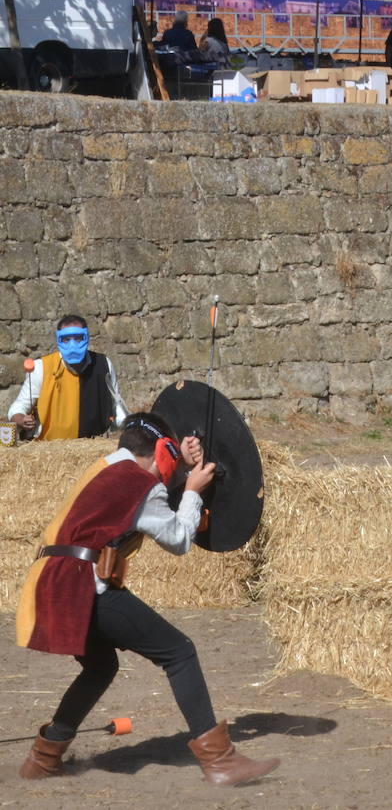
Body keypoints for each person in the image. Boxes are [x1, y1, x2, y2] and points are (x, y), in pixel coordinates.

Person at [15, 412, 281, 786]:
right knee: (179, 652)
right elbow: (178, 539)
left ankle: (42, 761)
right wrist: (192, 490)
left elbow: (137, 509)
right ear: (161, 451)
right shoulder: (140, 484)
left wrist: (181, 469)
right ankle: (220, 762)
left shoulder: (105, 468)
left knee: (100, 667)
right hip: (86, 587)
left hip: (54, 584)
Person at [8, 315, 125, 440]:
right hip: (48, 446)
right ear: (58, 340)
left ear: (87, 338)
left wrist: (128, 423)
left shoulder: (103, 364)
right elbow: (19, 406)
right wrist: (21, 419)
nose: (72, 345)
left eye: (78, 338)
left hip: (94, 444)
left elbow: (116, 405)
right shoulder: (41, 368)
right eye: (66, 339)